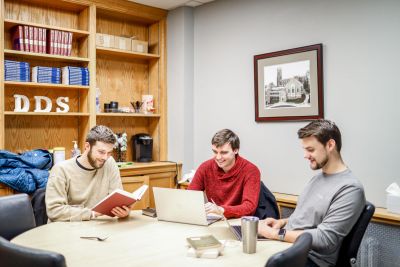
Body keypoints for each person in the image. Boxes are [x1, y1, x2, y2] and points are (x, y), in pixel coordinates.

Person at [258, 119, 366, 267]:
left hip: (310, 259)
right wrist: (282, 222)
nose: (305, 155)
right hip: (286, 246)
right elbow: (309, 218)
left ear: (330, 145)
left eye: (310, 150)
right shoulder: (318, 178)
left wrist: (273, 234)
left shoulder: (350, 189)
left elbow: (324, 239)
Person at [46, 125, 130, 222]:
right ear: (87, 146)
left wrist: (123, 210)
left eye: (109, 153)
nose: (105, 157)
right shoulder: (61, 170)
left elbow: (117, 200)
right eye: (101, 152)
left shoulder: (109, 163)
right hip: (67, 230)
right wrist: (93, 213)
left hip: (98, 229)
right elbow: (54, 211)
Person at [188, 129, 261, 218]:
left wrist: (221, 210)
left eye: (224, 152)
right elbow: (189, 197)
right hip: (215, 219)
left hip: (238, 221)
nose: (218, 157)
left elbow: (249, 208)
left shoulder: (251, 170)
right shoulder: (205, 167)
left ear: (236, 150)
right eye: (215, 152)